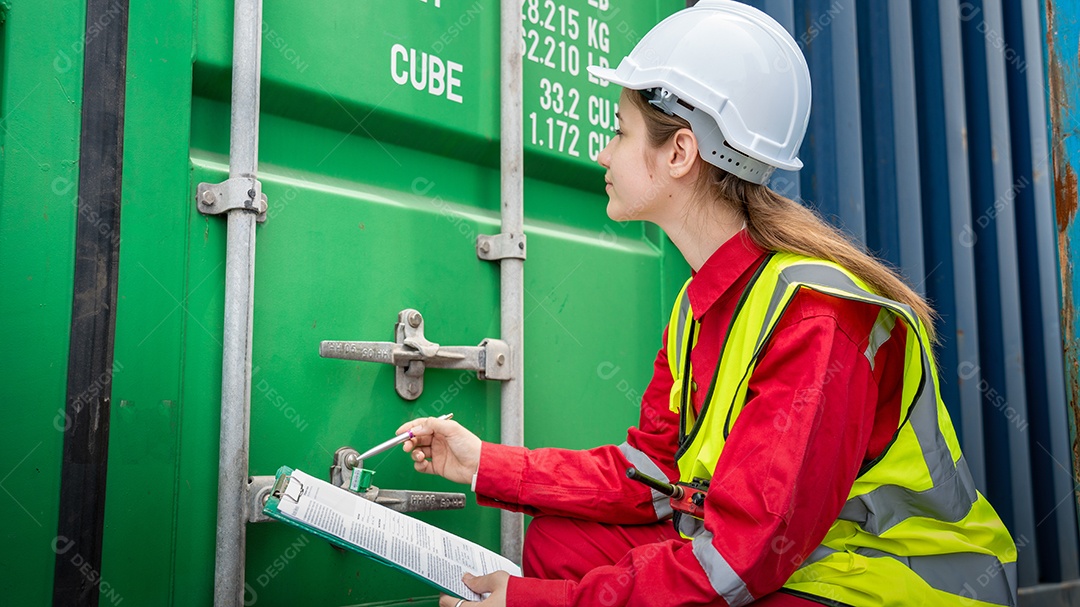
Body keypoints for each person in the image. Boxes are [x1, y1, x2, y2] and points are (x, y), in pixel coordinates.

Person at [396, 1, 1017, 605]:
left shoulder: (816, 318)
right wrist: (488, 465)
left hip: (890, 584)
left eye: (619, 133)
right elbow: (653, 472)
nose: (603, 154)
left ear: (680, 153)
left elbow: (745, 560)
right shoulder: (701, 303)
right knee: (563, 545)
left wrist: (533, 603)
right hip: (799, 560)